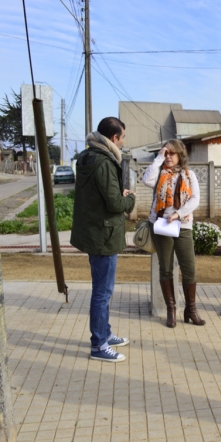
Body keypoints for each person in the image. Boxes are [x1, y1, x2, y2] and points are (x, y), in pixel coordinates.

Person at [71, 117, 136, 363]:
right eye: (123, 137)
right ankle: (99, 345)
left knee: (102, 290)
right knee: (102, 292)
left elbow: (99, 196)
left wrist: (116, 194)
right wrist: (129, 199)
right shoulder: (104, 162)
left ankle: (105, 334)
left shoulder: (87, 156)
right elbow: (115, 203)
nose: (123, 142)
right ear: (114, 138)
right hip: (103, 235)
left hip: (94, 231)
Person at [142, 139, 203, 328]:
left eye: (171, 153)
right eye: (166, 153)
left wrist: (178, 214)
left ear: (180, 155)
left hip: (182, 225)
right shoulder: (159, 174)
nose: (168, 157)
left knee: (189, 268)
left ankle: (191, 310)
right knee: (166, 268)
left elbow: (195, 199)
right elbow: (146, 180)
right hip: (161, 224)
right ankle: (171, 308)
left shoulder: (189, 174)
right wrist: (158, 158)